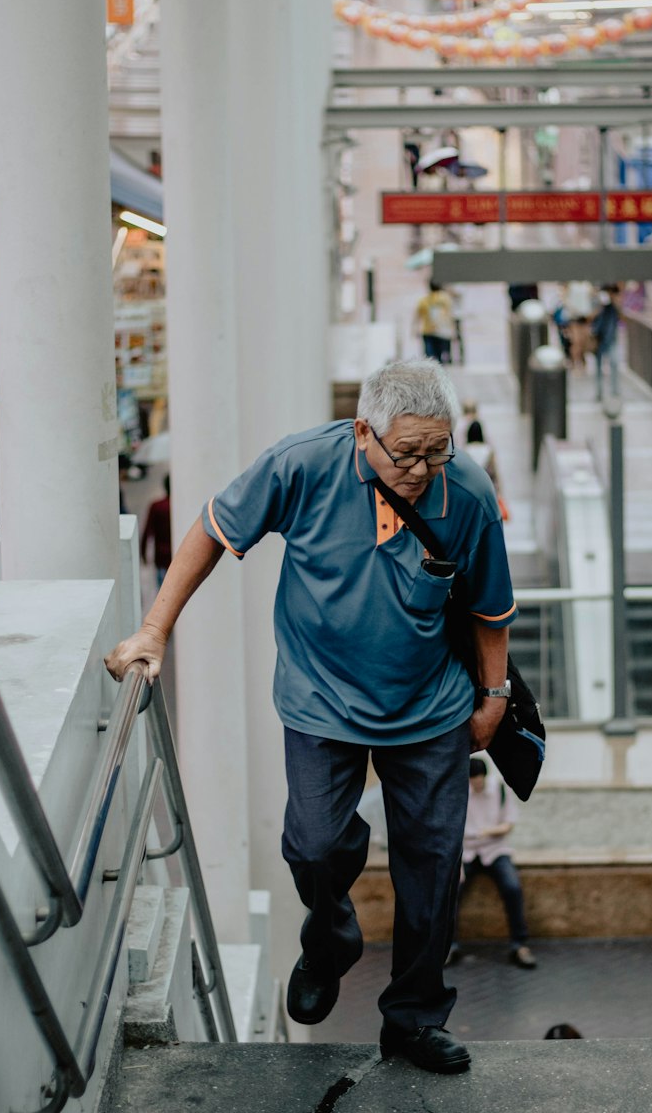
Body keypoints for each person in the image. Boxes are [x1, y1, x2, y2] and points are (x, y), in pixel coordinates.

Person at [104, 360, 517, 1075]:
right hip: (321, 698)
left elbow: (489, 610)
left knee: (432, 870)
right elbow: (211, 527)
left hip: (430, 710)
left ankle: (414, 1020)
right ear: (363, 433)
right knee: (316, 845)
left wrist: (494, 698)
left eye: (437, 450)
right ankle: (330, 940)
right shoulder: (302, 466)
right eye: (407, 452)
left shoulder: (468, 493)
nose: (423, 469)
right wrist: (154, 629)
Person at [447, 757, 536, 970]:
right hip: (467, 851)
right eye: (472, 781)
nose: (476, 785)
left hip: (494, 849)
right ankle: (448, 946)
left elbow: (508, 824)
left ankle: (519, 945)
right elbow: (450, 827)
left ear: (485, 777)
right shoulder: (458, 790)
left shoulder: (499, 790)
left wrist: (487, 832)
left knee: (512, 887)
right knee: (449, 891)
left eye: (478, 780)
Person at [141, 474, 173, 588]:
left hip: (161, 557)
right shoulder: (179, 506)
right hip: (177, 554)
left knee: (162, 591)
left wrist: (143, 552)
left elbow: (147, 531)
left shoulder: (157, 506)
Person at [413, 278, 454, 364]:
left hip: (428, 331)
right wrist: (452, 330)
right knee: (440, 356)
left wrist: (415, 328)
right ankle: (438, 374)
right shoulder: (445, 298)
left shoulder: (424, 300)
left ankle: (431, 374)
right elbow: (450, 315)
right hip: (442, 331)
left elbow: (417, 315)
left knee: (429, 357)